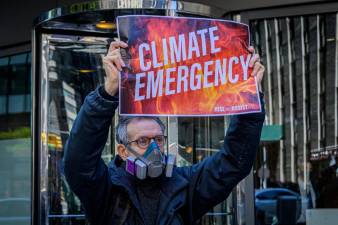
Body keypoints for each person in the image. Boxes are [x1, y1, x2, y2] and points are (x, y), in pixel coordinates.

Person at [64, 40, 265, 225]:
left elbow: (233, 163)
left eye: (158, 139)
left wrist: (250, 95)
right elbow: (78, 163)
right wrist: (108, 92)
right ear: (123, 151)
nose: (154, 148)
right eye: (143, 140)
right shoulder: (106, 189)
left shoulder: (184, 184)